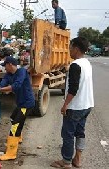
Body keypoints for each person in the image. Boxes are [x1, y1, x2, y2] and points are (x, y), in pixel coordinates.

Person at [51, 37, 94, 169]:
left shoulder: (76, 65)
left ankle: (66, 161)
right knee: (80, 132)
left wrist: (65, 105)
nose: (69, 50)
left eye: (70, 47)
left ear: (76, 48)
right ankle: (78, 160)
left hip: (75, 107)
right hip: (87, 105)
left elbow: (73, 89)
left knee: (68, 134)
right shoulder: (87, 63)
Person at [0, 56, 35, 161]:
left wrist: (0, 90)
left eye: (5, 65)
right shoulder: (8, 74)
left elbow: (16, 86)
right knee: (13, 118)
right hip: (20, 103)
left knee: (15, 127)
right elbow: (3, 82)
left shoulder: (22, 72)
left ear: (10, 64)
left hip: (26, 104)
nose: (4, 68)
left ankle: (11, 153)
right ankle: (18, 138)